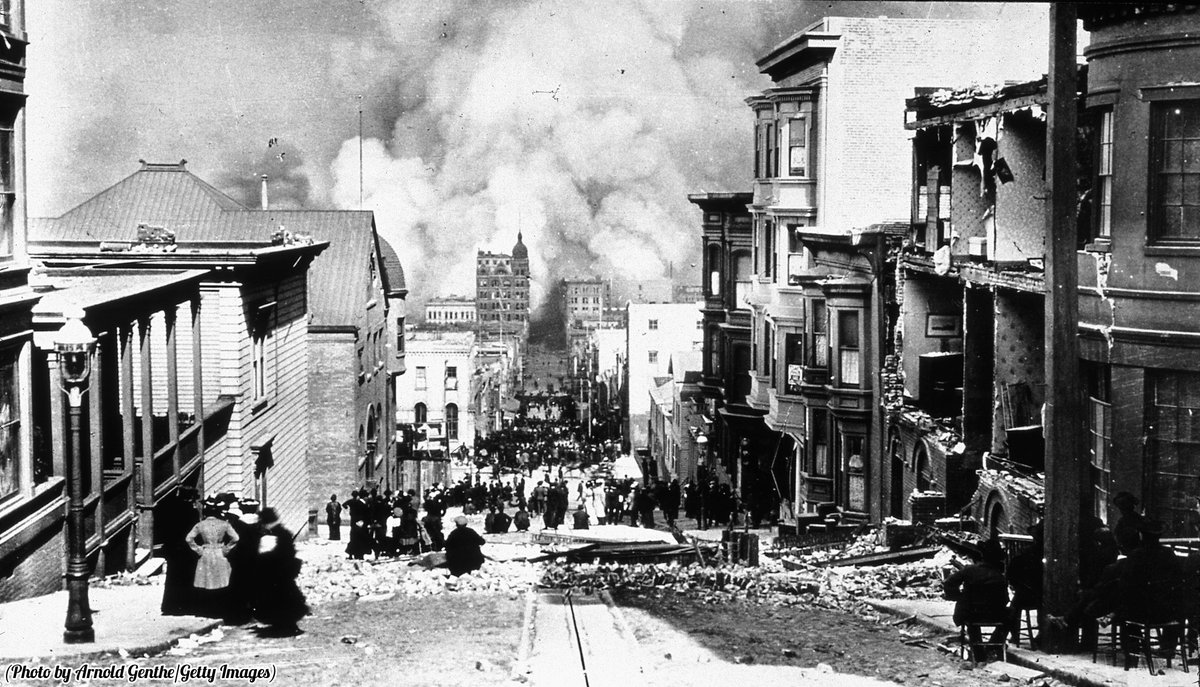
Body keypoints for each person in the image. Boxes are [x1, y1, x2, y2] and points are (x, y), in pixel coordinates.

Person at [943, 539, 1009, 661]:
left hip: (971, 613)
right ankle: (993, 645)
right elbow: (1005, 600)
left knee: (971, 620)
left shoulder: (969, 570)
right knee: (1011, 614)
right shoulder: (999, 576)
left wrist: (959, 597)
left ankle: (978, 654)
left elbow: (949, 583)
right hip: (994, 616)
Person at [251, 508, 309, 636]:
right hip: (282, 572)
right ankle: (284, 623)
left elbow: (278, 554)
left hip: (276, 572)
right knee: (283, 597)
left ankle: (284, 624)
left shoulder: (275, 534)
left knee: (278, 598)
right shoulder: (282, 532)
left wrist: (264, 558)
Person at [185, 499, 241, 619]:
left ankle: (208, 610)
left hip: (206, 553)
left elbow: (188, 538)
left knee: (207, 582)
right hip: (220, 553)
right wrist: (226, 549)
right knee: (221, 582)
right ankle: (220, 610)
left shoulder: (200, 525)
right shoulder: (225, 524)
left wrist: (198, 550)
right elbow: (236, 538)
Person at [160, 487, 200, 616]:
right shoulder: (192, 512)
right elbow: (194, 532)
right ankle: (185, 605)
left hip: (173, 549)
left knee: (173, 577)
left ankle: (170, 605)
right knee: (187, 578)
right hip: (186, 550)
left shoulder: (170, 509)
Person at [343, 491, 371, 560]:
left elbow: (346, 506)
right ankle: (359, 554)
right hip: (360, 524)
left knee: (354, 539)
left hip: (354, 523)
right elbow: (365, 514)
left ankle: (352, 554)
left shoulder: (353, 502)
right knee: (360, 539)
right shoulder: (362, 504)